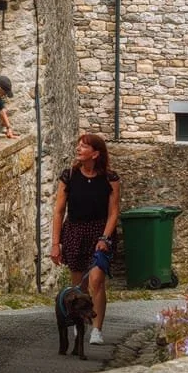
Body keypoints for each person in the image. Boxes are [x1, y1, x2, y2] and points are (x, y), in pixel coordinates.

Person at [50, 132, 121, 344]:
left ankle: (96, 329)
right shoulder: (69, 176)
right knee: (78, 286)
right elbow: (58, 211)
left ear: (96, 153)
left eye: (84, 146)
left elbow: (114, 212)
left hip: (100, 233)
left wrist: (105, 238)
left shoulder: (110, 179)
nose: (78, 148)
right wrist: (55, 243)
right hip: (74, 232)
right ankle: (80, 323)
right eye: (78, 145)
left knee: (97, 280)